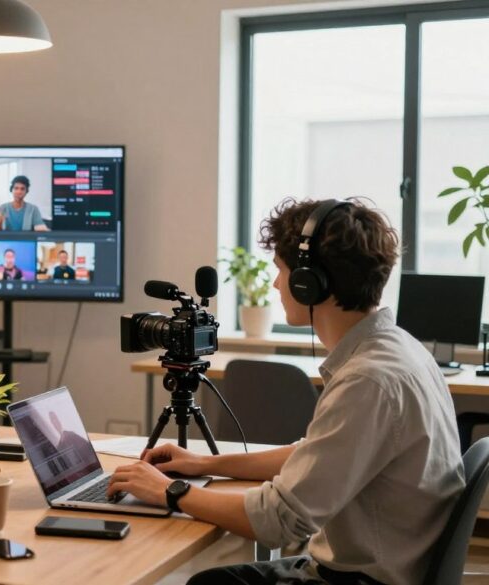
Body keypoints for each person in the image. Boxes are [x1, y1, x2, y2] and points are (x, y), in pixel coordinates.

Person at [106, 198, 464, 585]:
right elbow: (313, 456)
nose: (276, 284)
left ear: (308, 283)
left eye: (280, 271)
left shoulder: (368, 379)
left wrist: (170, 492)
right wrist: (203, 464)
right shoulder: (398, 349)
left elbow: (278, 521)